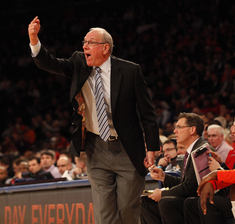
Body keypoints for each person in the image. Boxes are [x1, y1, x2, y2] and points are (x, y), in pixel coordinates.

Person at [28, 16, 159, 224]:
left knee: (127, 210)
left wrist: (152, 147)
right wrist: (34, 39)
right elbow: (50, 63)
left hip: (127, 148)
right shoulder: (79, 62)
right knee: (104, 215)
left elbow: (147, 112)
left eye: (90, 42)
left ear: (105, 48)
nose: (85, 46)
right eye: (84, 42)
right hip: (95, 147)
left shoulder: (129, 70)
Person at [141, 112, 207, 224]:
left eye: (179, 127)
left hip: (197, 202)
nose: (174, 131)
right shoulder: (192, 150)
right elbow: (185, 182)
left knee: (166, 202)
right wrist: (163, 177)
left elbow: (190, 187)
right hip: (190, 198)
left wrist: (162, 194)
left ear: (192, 130)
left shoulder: (201, 150)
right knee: (146, 201)